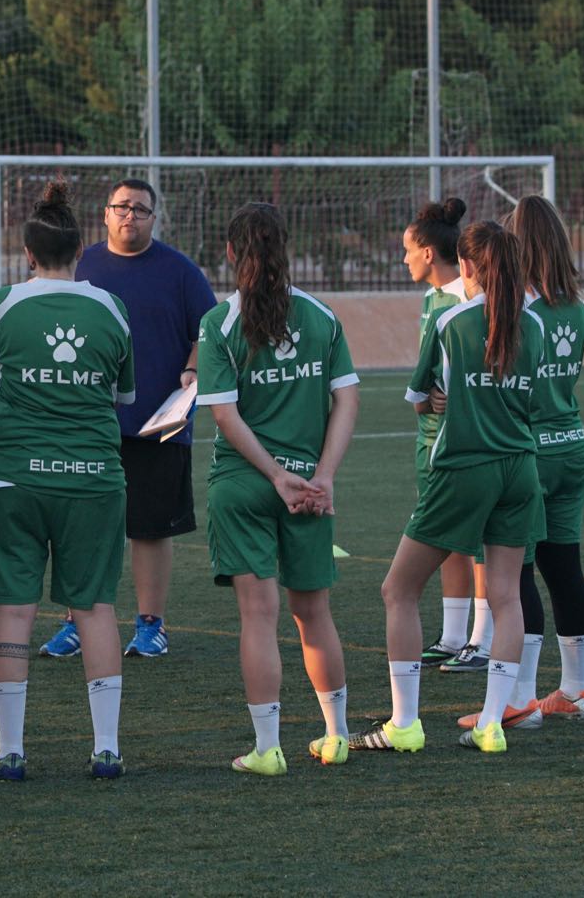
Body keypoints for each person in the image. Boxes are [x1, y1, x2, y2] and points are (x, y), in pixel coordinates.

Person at [351, 222, 544, 755]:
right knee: (506, 596)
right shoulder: (537, 325)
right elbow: (532, 400)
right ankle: (492, 723)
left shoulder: (450, 318)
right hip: (520, 467)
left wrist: (442, 399)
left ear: (466, 267)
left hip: (464, 466)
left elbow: (419, 399)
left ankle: (405, 723)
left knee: (398, 589)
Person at [0, 180, 135, 781]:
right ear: (81, 252)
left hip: (12, 475)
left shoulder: (2, 304)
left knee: (14, 611)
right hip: (93, 476)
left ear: (27, 254)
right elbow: (126, 394)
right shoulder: (111, 308)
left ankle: (11, 752)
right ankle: (107, 748)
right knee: (93, 606)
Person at [197, 203, 360, 774]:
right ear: (285, 248)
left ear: (229, 252)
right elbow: (347, 401)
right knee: (314, 615)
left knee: (258, 616)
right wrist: (322, 476)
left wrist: (272, 475)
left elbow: (224, 416)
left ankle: (268, 749)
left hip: (245, 485)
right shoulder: (321, 316)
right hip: (308, 488)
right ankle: (336, 735)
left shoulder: (219, 322)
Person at [39, 177, 216, 660]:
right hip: (88, 420)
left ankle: (150, 625)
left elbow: (208, 331)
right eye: (121, 207)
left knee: (150, 528)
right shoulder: (83, 265)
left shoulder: (180, 271)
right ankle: (76, 620)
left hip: (157, 424)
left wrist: (192, 369)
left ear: (153, 218)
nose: (129, 216)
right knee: (82, 525)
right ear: (105, 213)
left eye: (140, 209)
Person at [498, 196, 584, 724]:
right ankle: (577, 691)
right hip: (572, 443)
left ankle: (522, 699)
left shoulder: (520, 308)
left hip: (531, 450)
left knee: (518, 573)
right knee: (565, 569)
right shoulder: (576, 307)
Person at [399, 199, 485, 671]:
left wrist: (455, 395)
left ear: (429, 252)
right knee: (447, 534)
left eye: (408, 250)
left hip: (464, 439)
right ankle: (454, 637)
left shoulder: (468, 297)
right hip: (430, 435)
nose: (405, 259)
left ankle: (482, 638)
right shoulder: (432, 299)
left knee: (480, 540)